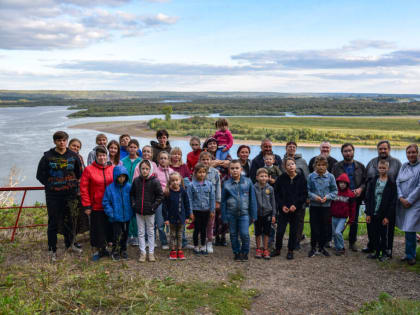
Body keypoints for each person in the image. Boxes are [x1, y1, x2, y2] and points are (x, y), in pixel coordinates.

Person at [36, 131, 83, 262]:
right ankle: (52, 249)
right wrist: (52, 184)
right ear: (55, 142)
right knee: (53, 222)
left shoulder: (73, 156)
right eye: (59, 140)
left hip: (70, 194)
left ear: (66, 141)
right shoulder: (47, 156)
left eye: (63, 140)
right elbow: (40, 175)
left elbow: (79, 173)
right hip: (53, 195)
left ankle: (70, 245)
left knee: (70, 220)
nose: (61, 142)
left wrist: (69, 184)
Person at [364, 140, 402, 257]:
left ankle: (387, 250)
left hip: (388, 202)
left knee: (387, 230)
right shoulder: (371, 162)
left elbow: (399, 181)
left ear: (389, 149)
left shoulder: (397, 163)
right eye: (380, 149)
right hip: (373, 202)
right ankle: (374, 248)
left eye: (385, 148)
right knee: (373, 229)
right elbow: (366, 180)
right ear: (377, 150)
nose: (383, 151)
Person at [80, 145, 114, 261]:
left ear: (107, 156)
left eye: (104, 155)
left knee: (109, 227)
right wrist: (87, 205)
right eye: (99, 155)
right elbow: (83, 188)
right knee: (97, 229)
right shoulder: (89, 169)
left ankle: (108, 248)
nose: (102, 157)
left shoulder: (112, 168)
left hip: (110, 205)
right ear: (96, 157)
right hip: (96, 205)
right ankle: (99, 250)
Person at [331, 143, 366, 252]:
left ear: (353, 151)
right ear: (342, 153)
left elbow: (365, 181)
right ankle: (338, 242)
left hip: (355, 197)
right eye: (345, 151)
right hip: (340, 198)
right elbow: (332, 182)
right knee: (336, 220)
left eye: (350, 150)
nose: (348, 153)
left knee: (353, 220)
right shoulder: (336, 166)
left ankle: (352, 242)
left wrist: (360, 189)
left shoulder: (360, 166)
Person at [221, 160, 257, 262]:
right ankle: (236, 252)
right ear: (229, 170)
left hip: (244, 214)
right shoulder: (226, 184)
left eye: (237, 168)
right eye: (232, 168)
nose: (235, 170)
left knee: (244, 234)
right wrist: (224, 216)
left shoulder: (248, 182)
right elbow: (223, 202)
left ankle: (244, 252)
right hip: (231, 214)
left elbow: (252, 199)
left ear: (241, 170)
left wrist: (253, 214)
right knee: (233, 234)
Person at [272, 158, 307, 260]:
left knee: (293, 231)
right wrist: (282, 205)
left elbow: (304, 194)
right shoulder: (281, 178)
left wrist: (296, 205)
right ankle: (278, 249)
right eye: (288, 165)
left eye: (292, 164)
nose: (291, 166)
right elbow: (277, 194)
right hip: (284, 210)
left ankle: (290, 251)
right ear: (284, 167)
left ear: (295, 165)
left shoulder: (301, 178)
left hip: (296, 210)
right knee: (280, 231)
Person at [130, 160, 164, 262]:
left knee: (150, 232)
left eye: (147, 169)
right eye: (143, 169)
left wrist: (154, 206)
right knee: (140, 232)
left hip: (150, 211)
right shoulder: (136, 181)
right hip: (139, 211)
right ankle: (143, 253)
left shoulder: (155, 181)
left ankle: (151, 253)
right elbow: (132, 194)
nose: (144, 171)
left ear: (150, 169)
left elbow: (160, 195)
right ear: (140, 169)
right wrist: (134, 204)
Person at [365, 160, 397, 261]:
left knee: (384, 235)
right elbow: (369, 197)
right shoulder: (373, 180)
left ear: (388, 169)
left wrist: (388, 217)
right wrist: (368, 213)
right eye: (380, 168)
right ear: (377, 168)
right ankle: (377, 252)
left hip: (384, 214)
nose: (382, 169)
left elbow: (393, 202)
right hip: (373, 211)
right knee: (375, 233)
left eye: (384, 168)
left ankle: (384, 253)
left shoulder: (391, 183)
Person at [307, 155, 338, 258]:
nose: (321, 167)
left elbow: (335, 191)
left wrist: (327, 197)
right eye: (318, 165)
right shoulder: (311, 176)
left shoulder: (331, 177)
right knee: (314, 227)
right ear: (315, 165)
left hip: (326, 206)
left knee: (324, 227)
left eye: (323, 165)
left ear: (326, 166)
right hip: (314, 206)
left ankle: (322, 247)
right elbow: (307, 191)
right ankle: (313, 247)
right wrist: (314, 197)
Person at [396, 144, 420, 266]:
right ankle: (407, 254)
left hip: (415, 203)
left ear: (417, 153)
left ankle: (411, 256)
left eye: (413, 152)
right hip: (403, 201)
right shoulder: (404, 166)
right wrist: (400, 197)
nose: (411, 155)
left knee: (411, 228)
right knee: (407, 229)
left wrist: (409, 200)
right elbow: (398, 182)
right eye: (408, 153)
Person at [102, 165, 133, 261]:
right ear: (116, 176)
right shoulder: (110, 188)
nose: (122, 178)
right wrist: (111, 213)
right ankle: (115, 251)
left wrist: (133, 211)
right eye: (120, 176)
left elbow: (133, 199)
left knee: (125, 233)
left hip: (127, 216)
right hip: (115, 217)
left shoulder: (129, 187)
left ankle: (123, 250)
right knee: (116, 234)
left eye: (124, 176)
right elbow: (106, 202)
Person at [283, 141, 309, 250]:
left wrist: (306, 197)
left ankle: (297, 241)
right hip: (286, 196)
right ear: (286, 148)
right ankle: (280, 241)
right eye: (290, 147)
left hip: (299, 196)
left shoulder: (302, 161)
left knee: (299, 220)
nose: (292, 149)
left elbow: (307, 178)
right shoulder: (281, 161)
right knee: (284, 219)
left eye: (294, 147)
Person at [187, 163, 216, 255]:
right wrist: (190, 212)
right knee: (197, 229)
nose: (202, 174)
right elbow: (189, 199)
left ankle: (203, 246)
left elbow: (212, 198)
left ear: (206, 173)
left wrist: (212, 210)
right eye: (199, 172)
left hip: (206, 210)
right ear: (195, 173)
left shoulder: (209, 185)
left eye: (204, 172)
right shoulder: (191, 185)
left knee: (204, 229)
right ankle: (196, 246)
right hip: (196, 210)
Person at [163, 172, 192, 260]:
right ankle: (173, 250)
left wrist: (187, 217)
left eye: (177, 180)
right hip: (171, 218)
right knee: (172, 235)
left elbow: (187, 204)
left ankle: (179, 250)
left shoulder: (183, 191)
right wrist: (166, 219)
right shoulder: (168, 192)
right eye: (173, 180)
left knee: (180, 234)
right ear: (170, 182)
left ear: (180, 181)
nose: (175, 182)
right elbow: (164, 207)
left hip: (181, 217)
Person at [67, 138, 89, 249]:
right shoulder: (65, 157)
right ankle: (70, 242)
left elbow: (83, 173)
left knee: (77, 217)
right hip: (68, 192)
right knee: (70, 216)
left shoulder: (79, 157)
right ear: (69, 145)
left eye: (77, 147)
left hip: (79, 192)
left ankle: (73, 240)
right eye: (73, 145)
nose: (75, 148)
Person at [199, 151, 221, 252]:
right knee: (201, 223)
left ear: (211, 160)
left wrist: (218, 201)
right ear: (200, 160)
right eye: (203, 159)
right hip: (199, 202)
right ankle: (203, 242)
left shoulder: (215, 173)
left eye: (207, 159)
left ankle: (209, 242)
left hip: (211, 202)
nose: (205, 161)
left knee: (211, 223)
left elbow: (218, 187)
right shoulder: (197, 172)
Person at [122, 139, 142, 247]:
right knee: (128, 212)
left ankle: (137, 235)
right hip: (125, 190)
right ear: (127, 148)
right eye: (131, 147)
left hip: (138, 191)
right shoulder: (123, 161)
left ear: (138, 148)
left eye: (135, 147)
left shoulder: (141, 161)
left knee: (136, 213)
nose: (132, 149)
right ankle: (129, 235)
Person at [330, 173, 356, 256]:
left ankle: (341, 248)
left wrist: (351, 219)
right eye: (340, 182)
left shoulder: (350, 194)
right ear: (337, 183)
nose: (342, 184)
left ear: (347, 184)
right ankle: (338, 248)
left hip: (343, 218)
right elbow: (330, 204)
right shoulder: (334, 192)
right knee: (334, 233)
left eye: (344, 183)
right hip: (333, 216)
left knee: (338, 232)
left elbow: (352, 208)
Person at [253, 168, 276, 260]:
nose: (263, 178)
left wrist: (273, 214)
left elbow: (273, 202)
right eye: (261, 176)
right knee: (258, 232)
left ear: (268, 178)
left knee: (267, 232)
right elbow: (252, 201)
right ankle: (258, 249)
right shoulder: (253, 188)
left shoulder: (270, 188)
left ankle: (265, 249)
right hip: (257, 214)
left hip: (267, 213)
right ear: (257, 177)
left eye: (265, 176)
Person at [154, 151, 175, 249]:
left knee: (172, 221)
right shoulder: (155, 171)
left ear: (168, 160)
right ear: (158, 160)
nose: (163, 160)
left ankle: (173, 240)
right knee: (160, 222)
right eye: (161, 158)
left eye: (165, 158)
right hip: (159, 200)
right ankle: (163, 241)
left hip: (170, 199)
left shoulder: (172, 172)